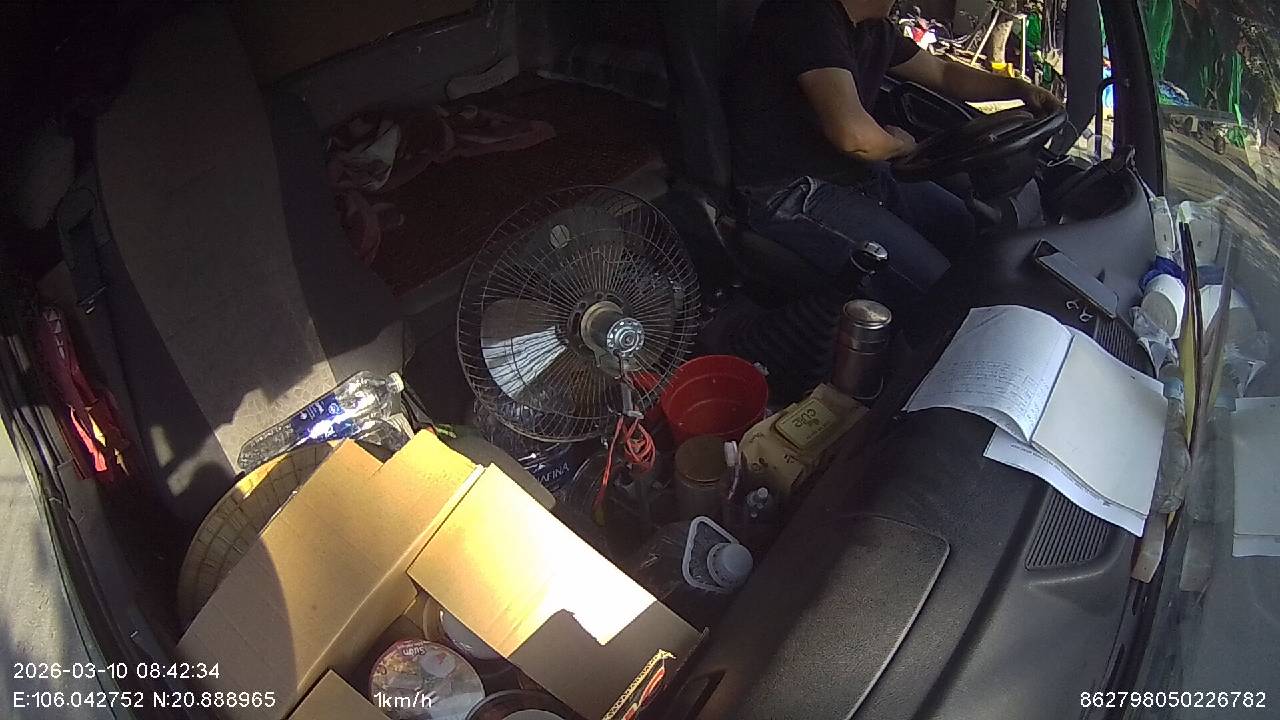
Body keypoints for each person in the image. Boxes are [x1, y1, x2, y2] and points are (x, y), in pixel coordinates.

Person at [726, 0, 1062, 307]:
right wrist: (902, 145)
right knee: (944, 294)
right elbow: (854, 136)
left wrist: (1018, 88)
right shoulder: (806, 15)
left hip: (848, 172)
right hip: (786, 190)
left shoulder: (874, 28)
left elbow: (944, 73)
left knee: (969, 234)